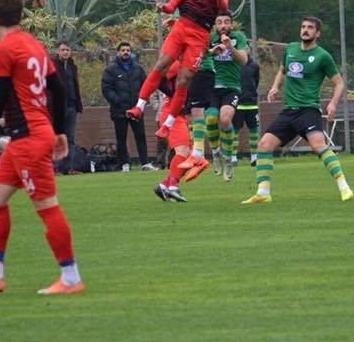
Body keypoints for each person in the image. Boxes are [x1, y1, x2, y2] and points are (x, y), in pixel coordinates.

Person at [0, 0, 84, 295]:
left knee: (47, 207)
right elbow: (60, 88)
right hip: (24, 138)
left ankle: (70, 278)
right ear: (22, 14)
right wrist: (59, 131)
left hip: (28, 139)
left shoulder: (4, 49)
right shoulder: (34, 45)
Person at [124, 0, 229, 180]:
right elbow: (173, 6)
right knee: (161, 64)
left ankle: (169, 126)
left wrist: (220, 0)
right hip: (181, 26)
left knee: (184, 79)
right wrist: (164, 8)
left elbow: (224, 8)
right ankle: (138, 106)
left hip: (200, 35)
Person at [242, 17, 354, 204]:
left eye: (310, 28)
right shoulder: (291, 49)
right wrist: (275, 87)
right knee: (264, 145)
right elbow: (282, 70)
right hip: (289, 111)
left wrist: (333, 103)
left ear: (317, 33)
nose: (305, 30)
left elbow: (339, 83)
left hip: (308, 110)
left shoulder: (322, 56)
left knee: (318, 145)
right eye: (303, 26)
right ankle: (263, 192)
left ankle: (344, 187)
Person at [203, 13, 248, 180]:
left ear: (231, 25)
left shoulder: (238, 37)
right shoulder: (209, 37)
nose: (223, 25)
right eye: (219, 22)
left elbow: (243, 60)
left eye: (226, 22)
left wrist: (230, 47)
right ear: (215, 25)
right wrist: (213, 51)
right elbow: (200, 55)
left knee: (225, 119)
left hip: (231, 87)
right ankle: (215, 154)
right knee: (211, 119)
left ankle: (228, 158)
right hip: (212, 86)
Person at [101, 42, 152, 172]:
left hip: (136, 110)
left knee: (140, 136)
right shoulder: (110, 69)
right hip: (119, 111)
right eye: (123, 50)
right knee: (121, 138)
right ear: (118, 52)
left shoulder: (138, 68)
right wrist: (118, 101)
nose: (126, 52)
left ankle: (145, 163)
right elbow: (106, 89)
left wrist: (140, 103)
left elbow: (146, 85)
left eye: (128, 50)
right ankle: (124, 164)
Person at [152, 61, 193, 202]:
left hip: (180, 115)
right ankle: (172, 186)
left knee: (190, 157)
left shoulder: (191, 62)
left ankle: (164, 185)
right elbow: (158, 80)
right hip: (172, 114)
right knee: (183, 153)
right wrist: (176, 96)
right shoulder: (176, 64)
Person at [51, 41, 84, 173]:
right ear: (58, 51)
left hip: (71, 106)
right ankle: (56, 168)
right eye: (63, 49)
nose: (65, 52)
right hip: (57, 108)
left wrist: (78, 104)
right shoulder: (52, 66)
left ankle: (68, 168)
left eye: (68, 50)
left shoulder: (72, 66)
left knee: (70, 138)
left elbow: (75, 86)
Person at [232, 55, 261, 169]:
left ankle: (254, 156)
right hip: (237, 104)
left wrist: (251, 94)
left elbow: (256, 82)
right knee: (234, 132)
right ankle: (233, 157)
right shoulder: (234, 64)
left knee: (253, 131)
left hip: (251, 104)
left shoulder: (254, 66)